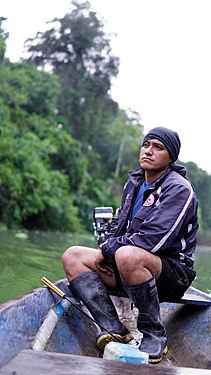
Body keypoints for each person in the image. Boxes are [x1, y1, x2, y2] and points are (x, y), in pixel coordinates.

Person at [62, 126, 198, 363]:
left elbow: (153, 240)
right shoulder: (134, 182)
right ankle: (116, 331)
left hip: (173, 276)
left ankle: (154, 334)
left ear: (171, 157)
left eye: (158, 147)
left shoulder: (178, 189)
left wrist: (110, 251)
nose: (149, 151)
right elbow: (118, 226)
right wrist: (106, 249)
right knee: (73, 256)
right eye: (146, 145)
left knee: (127, 255)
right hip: (129, 264)